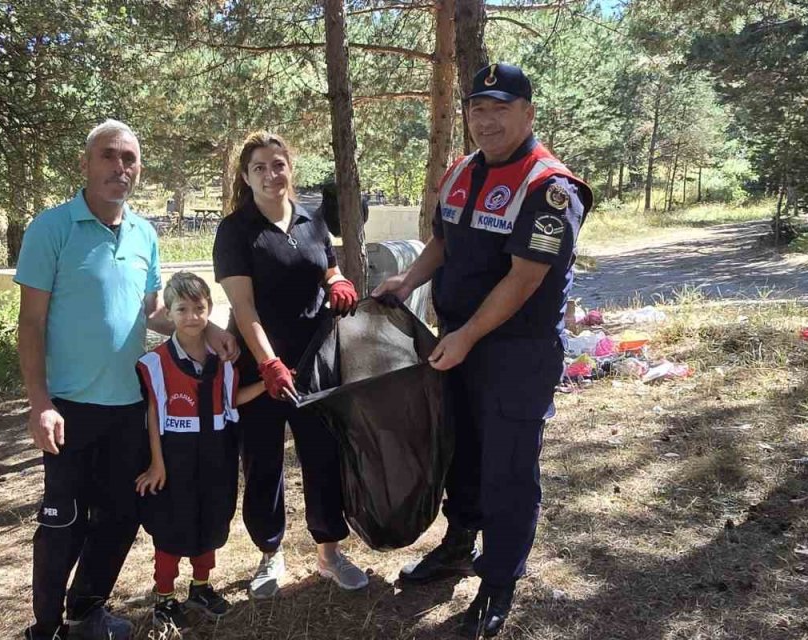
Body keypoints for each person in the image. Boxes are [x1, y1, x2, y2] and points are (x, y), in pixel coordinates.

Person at [373, 63, 592, 637]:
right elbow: (443, 240)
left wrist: (467, 337)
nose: (487, 121)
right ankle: (458, 545)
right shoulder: (462, 170)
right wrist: (408, 281)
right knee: (461, 453)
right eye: (478, 109)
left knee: (507, 469)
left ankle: (498, 581)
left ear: (528, 113)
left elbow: (524, 279)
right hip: (457, 343)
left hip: (516, 353)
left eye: (501, 108)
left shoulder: (549, 188)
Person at [15, 119, 237, 640]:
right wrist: (40, 402)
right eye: (109, 156)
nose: (121, 167)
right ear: (85, 164)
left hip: (131, 406)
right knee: (63, 521)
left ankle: (85, 612)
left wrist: (208, 329)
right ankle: (45, 628)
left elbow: (154, 314)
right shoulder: (51, 228)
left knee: (121, 514)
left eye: (130, 158)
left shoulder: (144, 234)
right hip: (69, 407)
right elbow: (31, 323)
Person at [212, 131, 368, 599]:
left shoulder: (310, 219)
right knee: (263, 460)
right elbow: (243, 307)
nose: (270, 175)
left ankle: (329, 553)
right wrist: (269, 364)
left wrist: (337, 281)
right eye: (259, 167)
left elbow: (327, 265)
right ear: (245, 177)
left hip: (316, 360)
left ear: (289, 168)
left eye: (277, 165)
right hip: (262, 367)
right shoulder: (236, 230)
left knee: (323, 454)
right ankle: (269, 552)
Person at [133, 271, 267, 631]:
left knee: (211, 519)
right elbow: (153, 414)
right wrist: (157, 463)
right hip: (174, 458)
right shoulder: (155, 362)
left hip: (216, 454)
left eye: (199, 308)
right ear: (168, 314)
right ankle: (164, 597)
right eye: (182, 309)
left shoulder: (223, 361)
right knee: (171, 526)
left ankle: (201, 587)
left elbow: (231, 401)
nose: (191, 317)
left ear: (209, 309)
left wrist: (265, 385)